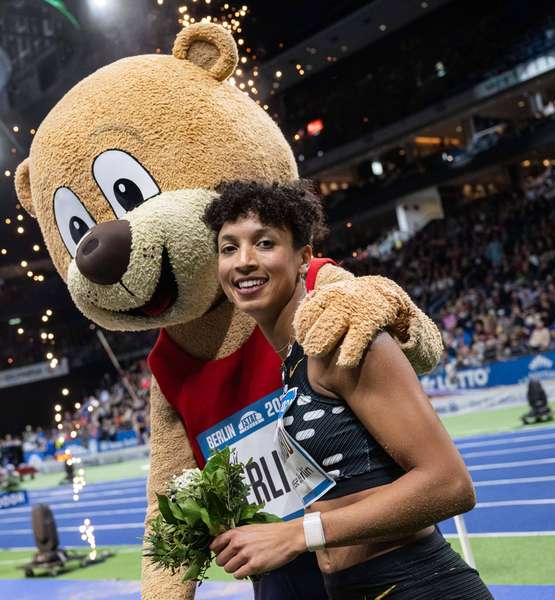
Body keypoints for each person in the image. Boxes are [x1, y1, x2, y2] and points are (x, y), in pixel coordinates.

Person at [203, 180, 491, 599]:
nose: (243, 261)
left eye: (265, 243)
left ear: (304, 258)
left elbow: (450, 484)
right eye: (228, 248)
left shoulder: (342, 338)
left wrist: (296, 535)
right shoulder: (296, 361)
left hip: (420, 586)